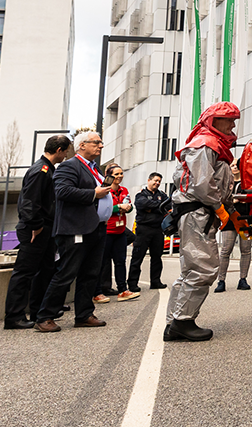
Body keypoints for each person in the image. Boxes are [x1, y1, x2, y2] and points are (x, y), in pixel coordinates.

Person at [163, 102, 243, 342]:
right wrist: (219, 209)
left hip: (197, 214)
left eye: (234, 119)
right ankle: (182, 322)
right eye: (228, 119)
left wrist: (226, 208)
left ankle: (175, 321)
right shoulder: (205, 143)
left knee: (190, 270)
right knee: (203, 268)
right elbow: (202, 183)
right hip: (198, 213)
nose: (233, 124)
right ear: (212, 120)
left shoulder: (209, 144)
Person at [34, 131, 114, 332]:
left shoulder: (94, 169)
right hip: (75, 229)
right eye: (96, 142)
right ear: (82, 145)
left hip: (95, 228)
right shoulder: (69, 166)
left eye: (100, 142)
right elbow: (62, 192)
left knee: (90, 273)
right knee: (66, 273)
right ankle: (45, 316)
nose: (100, 146)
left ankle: (84, 314)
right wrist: (93, 193)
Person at [3, 135, 72, 329]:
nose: (66, 155)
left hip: (43, 228)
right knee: (24, 274)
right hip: (35, 229)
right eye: (66, 151)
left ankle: (38, 312)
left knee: (44, 272)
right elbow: (29, 203)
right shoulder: (41, 171)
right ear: (59, 150)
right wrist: (35, 225)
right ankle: (14, 317)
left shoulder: (47, 169)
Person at [95, 165, 139, 303]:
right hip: (107, 231)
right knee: (101, 263)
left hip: (120, 231)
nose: (119, 176)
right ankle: (97, 292)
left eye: (121, 173)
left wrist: (128, 207)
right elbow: (103, 208)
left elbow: (130, 206)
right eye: (116, 174)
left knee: (120, 261)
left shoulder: (124, 190)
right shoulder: (104, 190)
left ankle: (123, 290)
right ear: (109, 176)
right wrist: (118, 207)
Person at [127, 172, 171, 292]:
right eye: (155, 180)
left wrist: (153, 208)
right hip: (143, 229)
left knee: (157, 257)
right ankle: (132, 283)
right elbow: (142, 204)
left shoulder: (162, 195)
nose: (157, 183)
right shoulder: (141, 195)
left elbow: (169, 205)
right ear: (149, 180)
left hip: (158, 229)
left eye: (159, 181)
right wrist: (160, 207)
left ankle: (155, 282)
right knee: (137, 257)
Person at [215, 160, 252, 293]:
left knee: (246, 250)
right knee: (226, 250)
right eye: (232, 165)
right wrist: (233, 200)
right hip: (230, 219)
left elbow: (251, 197)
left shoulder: (248, 183)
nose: (235, 167)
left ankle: (243, 279)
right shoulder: (225, 183)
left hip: (245, 219)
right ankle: (221, 281)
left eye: (237, 165)